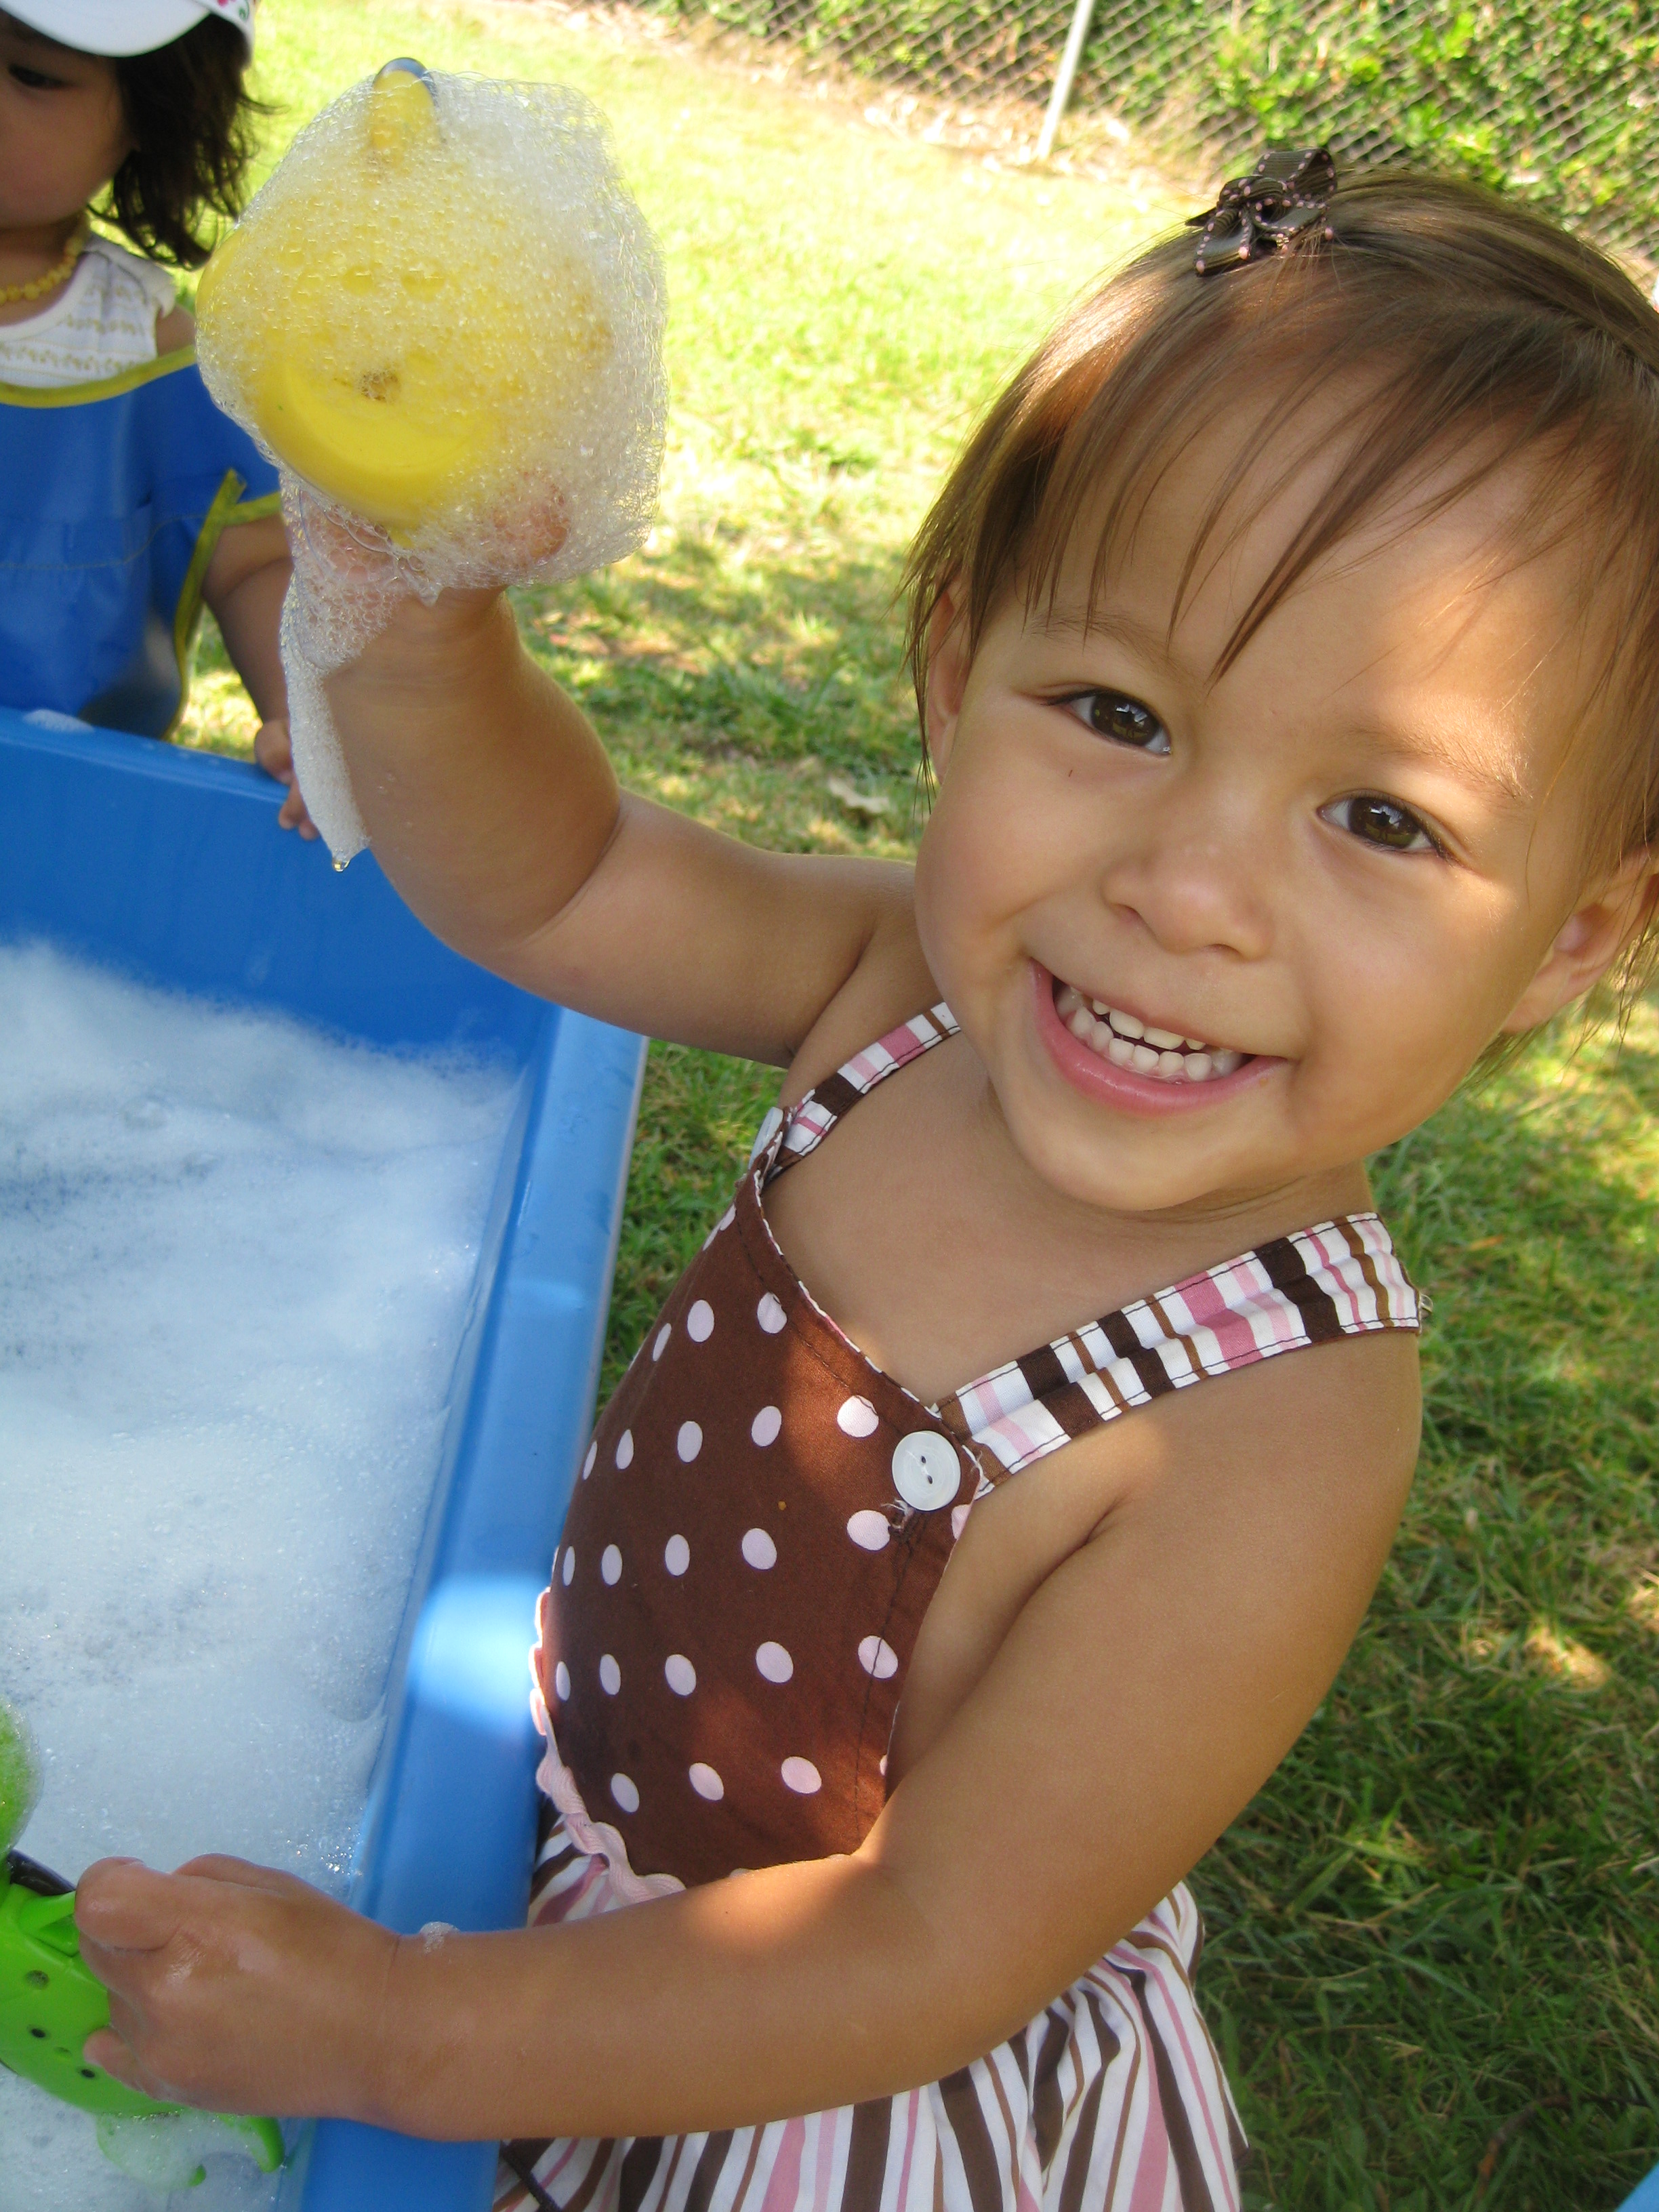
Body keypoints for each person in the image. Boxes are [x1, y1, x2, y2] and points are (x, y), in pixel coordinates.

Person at [73, 159, 1659, 2211]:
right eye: (1118, 713)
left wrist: (403, 2027)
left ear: (1566, 941)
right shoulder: (907, 984)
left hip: (818, 2092)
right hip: (569, 1879)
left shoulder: (1271, 1415)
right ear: (950, 664)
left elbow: (926, 1944)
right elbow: (565, 881)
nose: (1186, 889)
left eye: (1383, 815)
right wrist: (420, 613)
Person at [0, 0, 314, 836]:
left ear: (155, 113)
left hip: (60, 814)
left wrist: (304, 714)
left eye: (30, 73)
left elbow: (251, 562)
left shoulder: (145, 344)